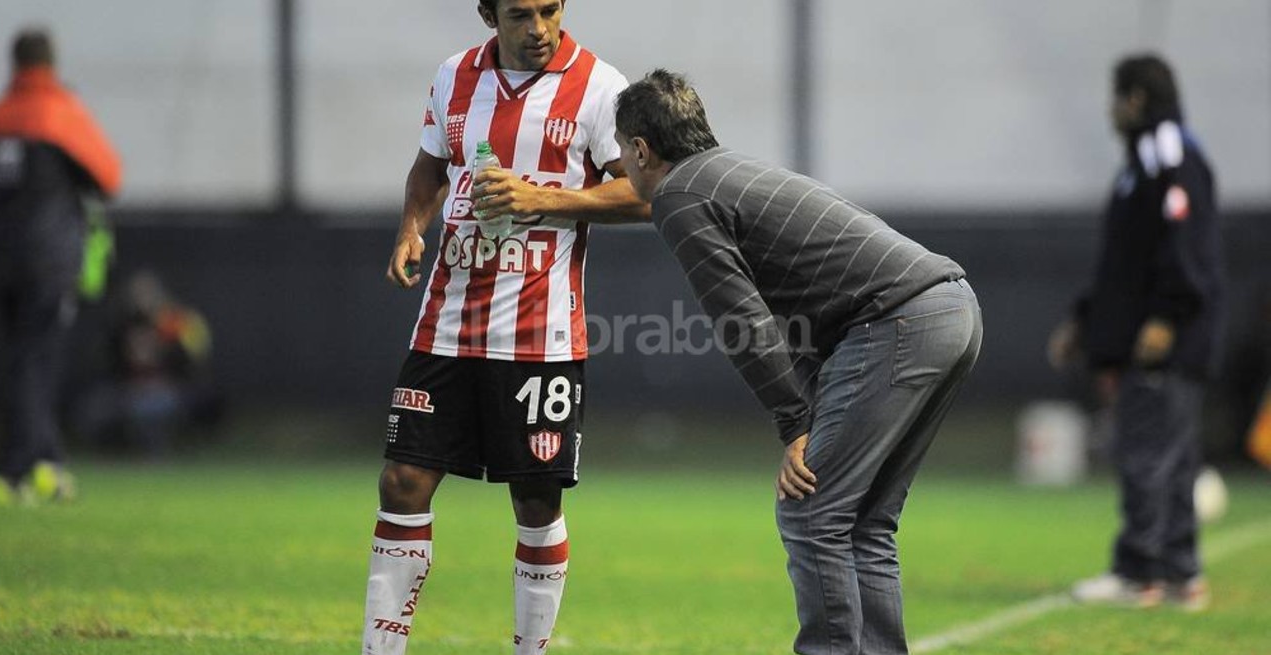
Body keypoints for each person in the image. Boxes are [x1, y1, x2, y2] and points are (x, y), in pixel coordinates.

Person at [614, 70, 983, 655]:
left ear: (640, 149)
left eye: (620, 151)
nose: (620, 166)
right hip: (950, 308)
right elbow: (806, 317)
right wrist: (806, 412)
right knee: (862, 521)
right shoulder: (729, 170)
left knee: (812, 511)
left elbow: (741, 318)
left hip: (899, 321)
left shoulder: (680, 193)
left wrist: (795, 425)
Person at [362, 1, 646, 653]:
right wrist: (411, 226)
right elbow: (431, 167)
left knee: (536, 500)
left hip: (540, 337)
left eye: (550, 10)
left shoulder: (600, 87)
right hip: (446, 324)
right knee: (402, 482)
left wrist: (543, 198)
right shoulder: (453, 76)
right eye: (520, 14)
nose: (538, 28)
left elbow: (644, 192)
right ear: (489, 14)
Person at [1048, 54, 1223, 611]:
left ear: (1135, 99)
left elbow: (1184, 244)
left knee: (1145, 454)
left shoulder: (1165, 155)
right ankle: (1179, 573)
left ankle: (1138, 573)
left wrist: (1166, 317)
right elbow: (1124, 262)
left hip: (1165, 339)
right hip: (1156, 332)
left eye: (1116, 97)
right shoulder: (1145, 160)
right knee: (1173, 460)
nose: (1110, 110)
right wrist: (1085, 319)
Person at [0, 28, 122, 505]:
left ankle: (25, 463)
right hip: (49, 259)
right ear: (50, 63)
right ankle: (30, 463)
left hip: (0, 258)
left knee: (24, 358)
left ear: (14, 63)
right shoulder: (59, 113)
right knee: (38, 360)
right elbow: (109, 175)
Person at [71, 270, 223, 457]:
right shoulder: (122, 324)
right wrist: (128, 352)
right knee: (95, 408)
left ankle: (155, 453)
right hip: (127, 389)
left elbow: (197, 361)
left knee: (152, 406)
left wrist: (163, 348)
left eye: (147, 293)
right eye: (137, 294)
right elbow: (105, 363)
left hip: (170, 387)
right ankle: (113, 453)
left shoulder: (176, 322)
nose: (142, 299)